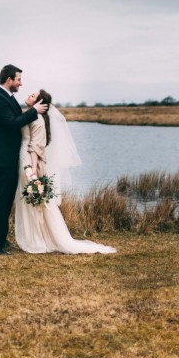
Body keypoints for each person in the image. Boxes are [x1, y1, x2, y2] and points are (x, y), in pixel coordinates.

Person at [14, 89, 116, 254]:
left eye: (32, 96)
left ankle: (38, 239)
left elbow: (36, 148)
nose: (28, 96)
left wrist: (32, 171)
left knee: (33, 200)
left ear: (40, 103)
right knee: (29, 199)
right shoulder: (32, 115)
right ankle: (33, 236)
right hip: (24, 157)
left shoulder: (37, 119)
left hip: (28, 161)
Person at [0, 64, 47, 254]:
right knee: (0, 202)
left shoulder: (8, 98)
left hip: (10, 159)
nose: (21, 83)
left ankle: (1, 241)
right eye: (18, 79)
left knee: (6, 202)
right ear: (9, 79)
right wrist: (34, 111)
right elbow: (12, 124)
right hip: (2, 159)